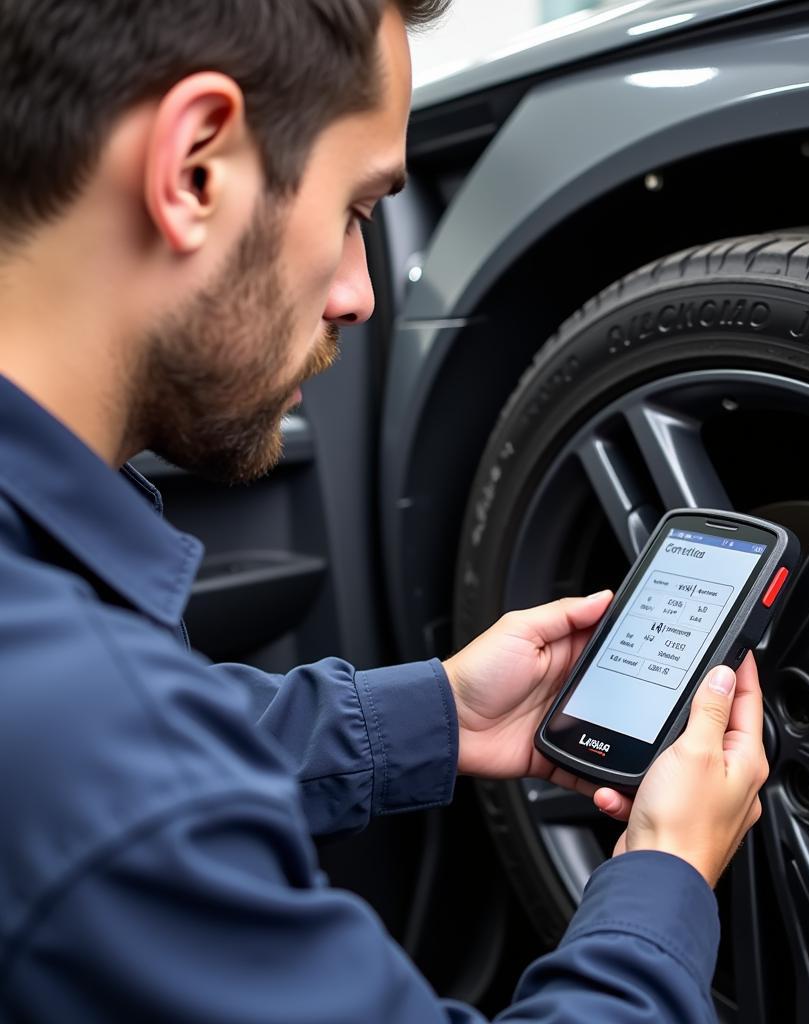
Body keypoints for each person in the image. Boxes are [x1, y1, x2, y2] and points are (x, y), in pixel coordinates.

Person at [0, 1, 769, 1020]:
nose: (360, 295)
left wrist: (436, 712)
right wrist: (663, 876)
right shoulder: (83, 745)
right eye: (357, 210)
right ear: (196, 167)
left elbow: (133, 767)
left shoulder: (64, 691)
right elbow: (117, 784)